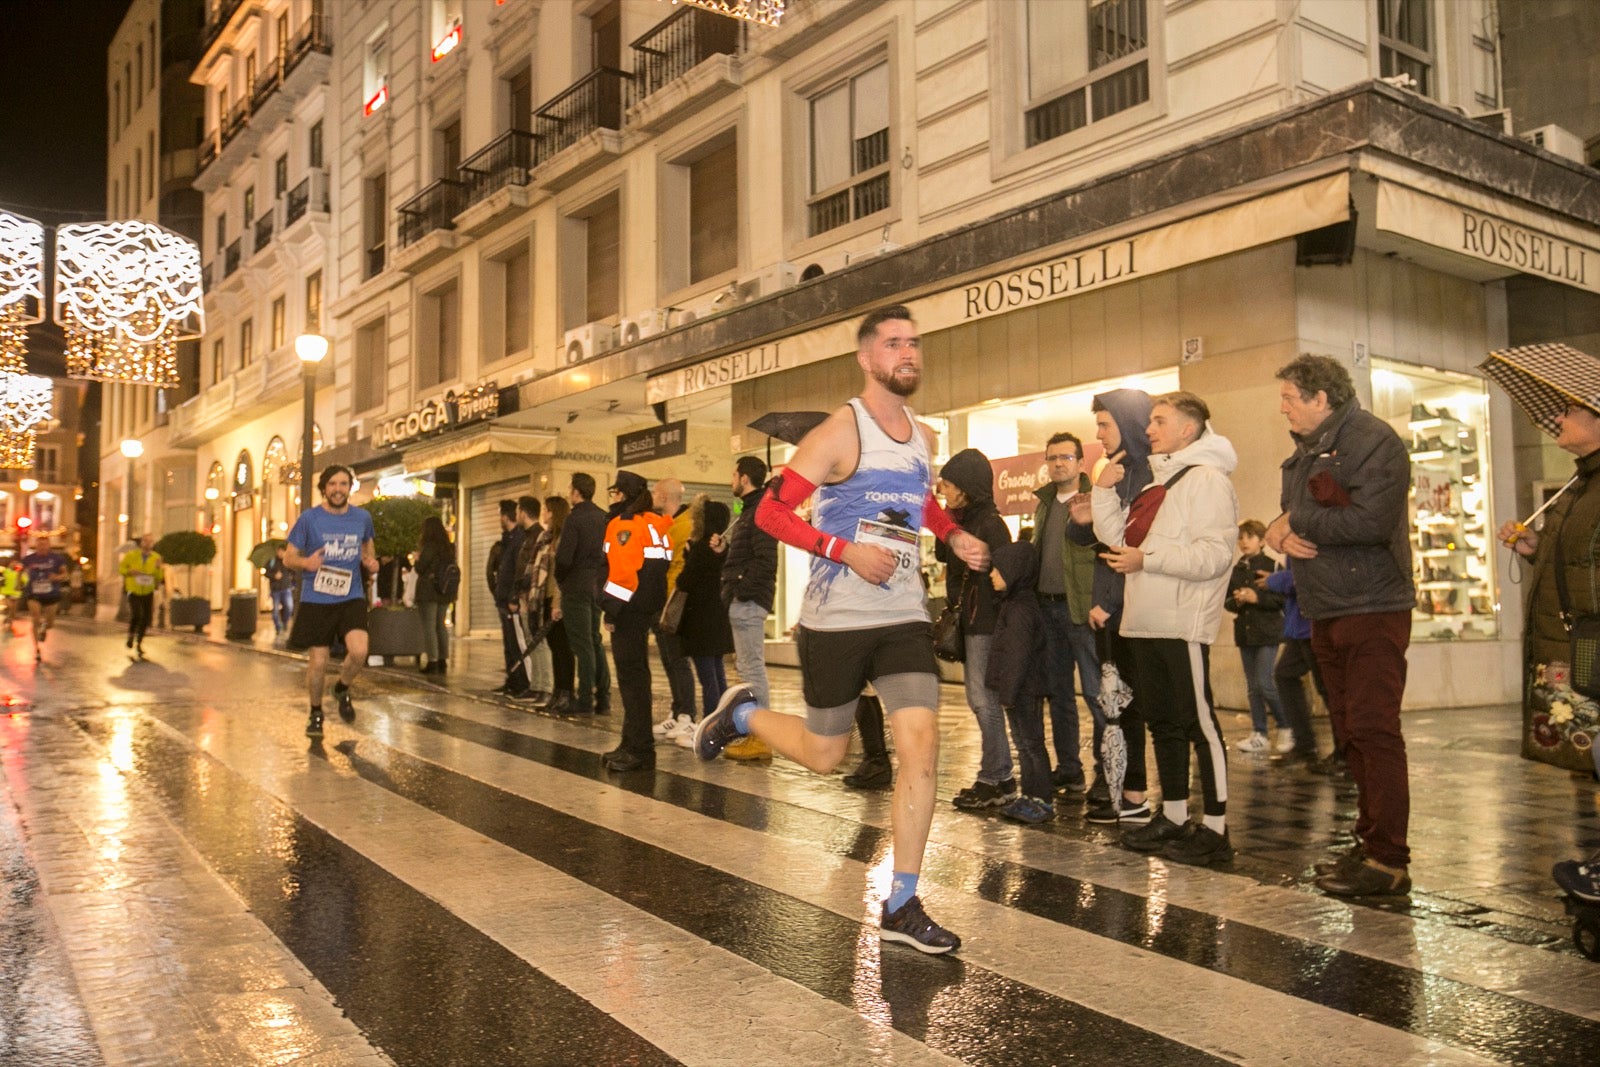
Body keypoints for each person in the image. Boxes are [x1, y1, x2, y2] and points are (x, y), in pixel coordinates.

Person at [693, 304, 990, 954]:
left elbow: (923, 505)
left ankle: (904, 900)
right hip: (837, 618)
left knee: (920, 744)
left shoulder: (922, 436)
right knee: (826, 754)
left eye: (914, 342)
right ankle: (742, 715)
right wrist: (843, 549)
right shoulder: (836, 432)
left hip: (903, 614)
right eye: (893, 344)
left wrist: (955, 533)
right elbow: (771, 512)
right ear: (866, 357)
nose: (907, 354)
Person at [1269, 354, 1415, 897]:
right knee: (1350, 731)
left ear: (1320, 398)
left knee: (1375, 730)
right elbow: (1290, 518)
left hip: (1371, 603)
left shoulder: (1373, 440)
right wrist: (1277, 534)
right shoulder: (1308, 450)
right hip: (1326, 605)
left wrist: (1294, 522)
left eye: (1288, 397)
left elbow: (1371, 521)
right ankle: (1368, 841)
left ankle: (1389, 860)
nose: (1281, 406)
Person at [1096, 392, 1239, 867]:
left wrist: (1148, 560)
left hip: (1182, 623)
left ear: (1189, 428)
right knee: (1163, 722)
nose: (1149, 429)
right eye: (1151, 421)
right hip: (1145, 622)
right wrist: (1102, 491)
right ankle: (1174, 816)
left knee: (1199, 724)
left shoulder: (1208, 480)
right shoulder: (1159, 482)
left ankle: (1216, 827)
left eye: (1160, 421)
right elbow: (1119, 540)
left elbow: (1215, 556)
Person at [1499, 399, 1600, 773]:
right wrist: (1537, 549)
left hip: (1591, 645)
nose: (1558, 417)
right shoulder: (1581, 483)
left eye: (1571, 411)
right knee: (1584, 758)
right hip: (1576, 648)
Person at [1069, 389, 1154, 825]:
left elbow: (1131, 546)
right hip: (1113, 607)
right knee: (1118, 703)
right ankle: (1125, 792)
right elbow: (1098, 538)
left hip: (1130, 606)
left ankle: (1138, 796)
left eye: (1105, 424)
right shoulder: (1114, 471)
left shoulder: (1146, 474)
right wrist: (1083, 518)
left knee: (1135, 703)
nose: (1098, 434)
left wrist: (1108, 601)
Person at [935, 448, 1016, 812]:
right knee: (979, 700)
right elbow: (942, 555)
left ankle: (996, 778)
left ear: (967, 486)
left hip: (984, 621)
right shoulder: (962, 519)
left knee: (982, 700)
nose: (944, 490)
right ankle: (997, 776)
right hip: (972, 619)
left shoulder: (991, 524)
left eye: (950, 484)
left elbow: (1004, 576)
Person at [283, 465, 379, 739]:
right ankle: (315, 712)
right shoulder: (309, 519)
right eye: (333, 484)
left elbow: (367, 550)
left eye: (343, 484)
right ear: (324, 488)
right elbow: (289, 557)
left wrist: (370, 562)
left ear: (350, 487)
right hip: (317, 600)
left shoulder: (362, 517)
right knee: (319, 663)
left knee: (360, 652)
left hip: (351, 596)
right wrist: (307, 563)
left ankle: (342, 687)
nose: (338, 489)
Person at [1032, 431, 1102, 797]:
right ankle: (1069, 770)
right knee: (1058, 694)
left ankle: (1107, 774)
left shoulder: (1096, 500)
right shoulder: (1044, 504)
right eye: (1052, 458)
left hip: (1082, 610)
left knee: (1095, 692)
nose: (1058, 463)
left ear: (1080, 462)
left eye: (1066, 457)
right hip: (1048, 609)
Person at [599, 471, 673, 771]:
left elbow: (622, 575)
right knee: (637, 678)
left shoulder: (624, 525)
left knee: (632, 681)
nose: (612, 498)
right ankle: (630, 742)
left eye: (615, 493)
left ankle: (639, 749)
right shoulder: (655, 522)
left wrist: (611, 611)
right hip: (646, 608)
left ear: (622, 494)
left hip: (627, 610)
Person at [987, 542, 1055, 824]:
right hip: (1019, 689)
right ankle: (1030, 795)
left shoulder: (1020, 610)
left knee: (1031, 743)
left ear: (1013, 572)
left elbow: (1017, 655)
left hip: (1024, 689)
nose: (991, 574)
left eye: (997, 569)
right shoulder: (1013, 604)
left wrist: (1008, 692)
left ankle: (1042, 799)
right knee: (1024, 744)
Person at [718, 455, 778, 761]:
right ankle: (753, 733)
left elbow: (765, 561)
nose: (731, 481)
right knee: (746, 669)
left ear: (744, 478)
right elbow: (748, 556)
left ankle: (760, 737)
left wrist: (741, 592)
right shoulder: (750, 510)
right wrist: (725, 551)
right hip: (743, 598)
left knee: (752, 670)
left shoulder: (760, 511)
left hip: (749, 600)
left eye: (733, 475)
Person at [1226, 520, 1289, 753]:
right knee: (1253, 686)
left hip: (1268, 632)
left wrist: (1257, 598)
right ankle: (1259, 732)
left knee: (1265, 682)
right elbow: (1227, 602)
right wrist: (1238, 601)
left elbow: (1283, 599)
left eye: (1250, 537)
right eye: (1241, 537)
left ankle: (1285, 724)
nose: (1244, 542)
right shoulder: (1236, 570)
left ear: (1262, 541)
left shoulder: (1272, 567)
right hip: (1246, 633)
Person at [1263, 565, 1335, 767]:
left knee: (1327, 688)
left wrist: (1274, 581)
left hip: (1313, 625)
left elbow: (1306, 576)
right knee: (1285, 675)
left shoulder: (1304, 535)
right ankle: (1305, 745)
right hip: (1300, 627)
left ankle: (1345, 752)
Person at [675, 496, 734, 744]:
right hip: (718, 618)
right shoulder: (722, 548)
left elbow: (684, 582)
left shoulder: (699, 549)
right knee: (718, 674)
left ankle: (709, 726)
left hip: (700, 620)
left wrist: (688, 558)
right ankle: (722, 723)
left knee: (707, 677)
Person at [556, 473, 612, 715]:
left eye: (570, 488)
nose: (569, 492)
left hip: (576, 587)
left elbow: (564, 559)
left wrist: (561, 579)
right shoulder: (604, 517)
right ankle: (604, 696)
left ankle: (585, 698)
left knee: (582, 645)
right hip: (597, 585)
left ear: (576, 492)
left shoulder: (574, 519)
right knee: (595, 640)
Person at [650, 477, 699, 742]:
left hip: (673, 602)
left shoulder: (682, 526)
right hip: (663, 601)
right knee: (669, 660)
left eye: (656, 493)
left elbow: (674, 568)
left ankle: (687, 715)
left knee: (678, 660)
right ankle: (678, 710)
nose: (652, 496)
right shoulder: (669, 524)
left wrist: (667, 600)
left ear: (666, 498)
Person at [508, 495, 551, 703]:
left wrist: (522, 593)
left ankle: (544, 686)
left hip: (532, 597)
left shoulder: (538, 536)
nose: (516, 514)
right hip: (525, 596)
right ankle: (536, 685)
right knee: (530, 641)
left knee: (536, 642)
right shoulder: (528, 536)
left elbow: (534, 570)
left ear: (523, 513)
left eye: (517, 511)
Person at [539, 496, 575, 713]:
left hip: (557, 599)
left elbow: (561, 575)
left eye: (545, 509)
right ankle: (557, 690)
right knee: (554, 646)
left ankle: (566, 691)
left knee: (563, 648)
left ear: (553, 512)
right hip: (547, 598)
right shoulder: (550, 538)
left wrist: (557, 603)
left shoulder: (562, 539)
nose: (543, 513)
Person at [413, 515, 456, 675]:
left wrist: (417, 560)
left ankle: (432, 660)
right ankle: (443, 659)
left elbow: (420, 568)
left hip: (429, 591)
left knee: (429, 626)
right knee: (440, 625)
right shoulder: (448, 547)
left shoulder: (429, 546)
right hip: (444, 590)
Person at [489, 501, 524, 694]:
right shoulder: (508, 539)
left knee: (515, 643)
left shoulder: (517, 539)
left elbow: (516, 571)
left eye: (499, 514)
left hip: (510, 601)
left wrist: (513, 597)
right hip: (503, 599)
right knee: (509, 644)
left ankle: (519, 682)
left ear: (505, 516)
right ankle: (511, 680)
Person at [21, 536, 71, 663]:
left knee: (50, 624)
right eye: (40, 544)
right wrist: (20, 577)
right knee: (35, 618)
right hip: (34, 593)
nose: (42, 547)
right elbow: (20, 571)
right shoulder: (29, 559)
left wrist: (57, 577)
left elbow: (65, 575)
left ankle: (44, 628)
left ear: (49, 546)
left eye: (45, 544)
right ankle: (36, 649)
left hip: (51, 594)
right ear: (36, 546)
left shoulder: (57, 559)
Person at [118, 533, 163, 656]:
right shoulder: (131, 555)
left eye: (150, 541)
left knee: (146, 617)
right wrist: (129, 571)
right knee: (137, 614)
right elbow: (121, 569)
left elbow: (159, 577)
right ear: (141, 542)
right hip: (133, 590)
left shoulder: (156, 557)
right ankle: (131, 636)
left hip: (148, 591)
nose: (147, 543)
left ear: (152, 544)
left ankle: (139, 643)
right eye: (145, 541)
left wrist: (159, 568)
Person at [264, 544, 295, 638]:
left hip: (286, 588)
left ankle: (285, 622)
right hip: (275, 589)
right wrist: (274, 576)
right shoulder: (272, 561)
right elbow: (266, 573)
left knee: (289, 607)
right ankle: (278, 627)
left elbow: (294, 573)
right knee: (275, 610)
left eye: (283, 551)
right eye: (279, 551)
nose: (281, 553)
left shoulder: (288, 562)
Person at [0, 561, 22, 635]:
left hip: (16, 594)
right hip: (7, 593)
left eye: (16, 563)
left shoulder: (18, 572)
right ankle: (8, 622)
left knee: (13, 611)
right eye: (12, 563)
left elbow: (25, 579)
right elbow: (3, 577)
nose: (14, 564)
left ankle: (9, 622)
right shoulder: (6, 571)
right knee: (11, 607)